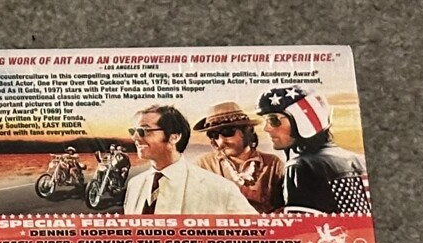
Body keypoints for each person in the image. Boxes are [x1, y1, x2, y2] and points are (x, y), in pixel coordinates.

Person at [257, 84, 372, 215]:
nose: (267, 128)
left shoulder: (300, 166)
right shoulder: (360, 160)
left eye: (273, 120)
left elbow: (302, 225)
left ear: (301, 120)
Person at [122, 105, 256, 216]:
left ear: (174, 137)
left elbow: (259, 231)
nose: (135, 138)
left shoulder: (220, 189)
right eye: (133, 131)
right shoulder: (135, 185)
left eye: (144, 131)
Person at [193, 101, 285, 212]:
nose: (221, 141)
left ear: (247, 130)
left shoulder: (273, 164)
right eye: (214, 135)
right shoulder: (203, 165)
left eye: (227, 132)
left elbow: (287, 207)